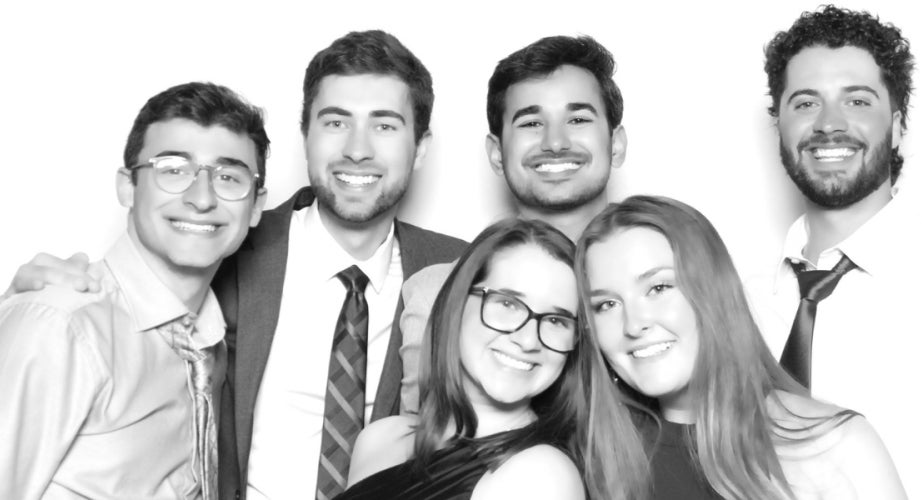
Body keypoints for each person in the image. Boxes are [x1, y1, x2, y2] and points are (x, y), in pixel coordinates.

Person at [3, 30, 467, 500]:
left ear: (420, 146)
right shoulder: (219, 255)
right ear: (305, 134)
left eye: (385, 125)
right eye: (335, 122)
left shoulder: (460, 272)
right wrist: (30, 312)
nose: (358, 149)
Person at [0, 82, 269, 499]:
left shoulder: (212, 341)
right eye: (173, 170)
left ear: (254, 207)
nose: (201, 198)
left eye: (228, 177)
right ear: (127, 186)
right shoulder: (60, 327)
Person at [576, 195, 905, 499]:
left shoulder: (835, 446)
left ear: (715, 290)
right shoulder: (593, 462)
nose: (634, 324)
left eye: (658, 287)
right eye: (606, 304)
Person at [754, 6, 922, 496]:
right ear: (780, 126)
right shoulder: (739, 294)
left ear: (898, 126)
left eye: (857, 101)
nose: (829, 124)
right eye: (805, 103)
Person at [398, 35, 627, 413]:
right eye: (532, 122)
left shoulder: (674, 277)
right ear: (496, 153)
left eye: (578, 119)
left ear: (616, 144)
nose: (555, 142)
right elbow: (422, 450)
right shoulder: (438, 292)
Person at [337, 219, 586, 500]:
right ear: (456, 302)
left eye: (556, 320)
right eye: (507, 304)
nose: (528, 340)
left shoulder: (543, 476)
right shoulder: (379, 439)